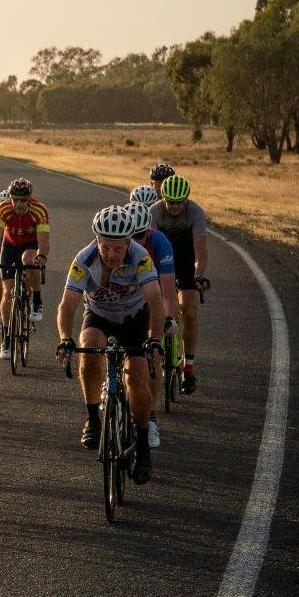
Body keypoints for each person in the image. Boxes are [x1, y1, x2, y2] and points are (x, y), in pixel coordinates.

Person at [54, 204, 177, 485]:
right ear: (97, 240)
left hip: (135, 317)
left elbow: (155, 301)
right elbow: (67, 305)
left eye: (118, 248)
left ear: (128, 243)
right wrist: (65, 338)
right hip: (100, 316)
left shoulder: (141, 257)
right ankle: (93, 419)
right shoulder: (83, 259)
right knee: (89, 346)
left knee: (137, 378)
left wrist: (154, 340)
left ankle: (143, 445)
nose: (111, 254)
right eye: (106, 247)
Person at [127, 185, 180, 449]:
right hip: (125, 299)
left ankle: (150, 417)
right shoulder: (116, 243)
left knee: (152, 357)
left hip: (152, 295)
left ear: (148, 231)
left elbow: (168, 291)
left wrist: (169, 318)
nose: (135, 242)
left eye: (140, 236)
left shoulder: (159, 242)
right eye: (131, 236)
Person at [151, 175, 208, 392]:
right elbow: (150, 249)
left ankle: (189, 368)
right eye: (170, 202)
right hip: (161, 263)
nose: (174, 207)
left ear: (187, 199)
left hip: (185, 263)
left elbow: (200, 251)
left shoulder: (195, 212)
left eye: (179, 202)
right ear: (163, 198)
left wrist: (198, 275)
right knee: (156, 308)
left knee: (189, 311)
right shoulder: (154, 212)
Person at [0, 177, 50, 338]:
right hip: (10, 246)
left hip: (30, 244)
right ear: (10, 198)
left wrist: (41, 255)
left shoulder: (39, 210)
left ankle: (36, 299)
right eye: (15, 199)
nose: (19, 204)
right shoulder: (3, 208)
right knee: (7, 292)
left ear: (29, 199)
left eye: (23, 200)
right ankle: (6, 337)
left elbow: (44, 239)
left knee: (29, 260)